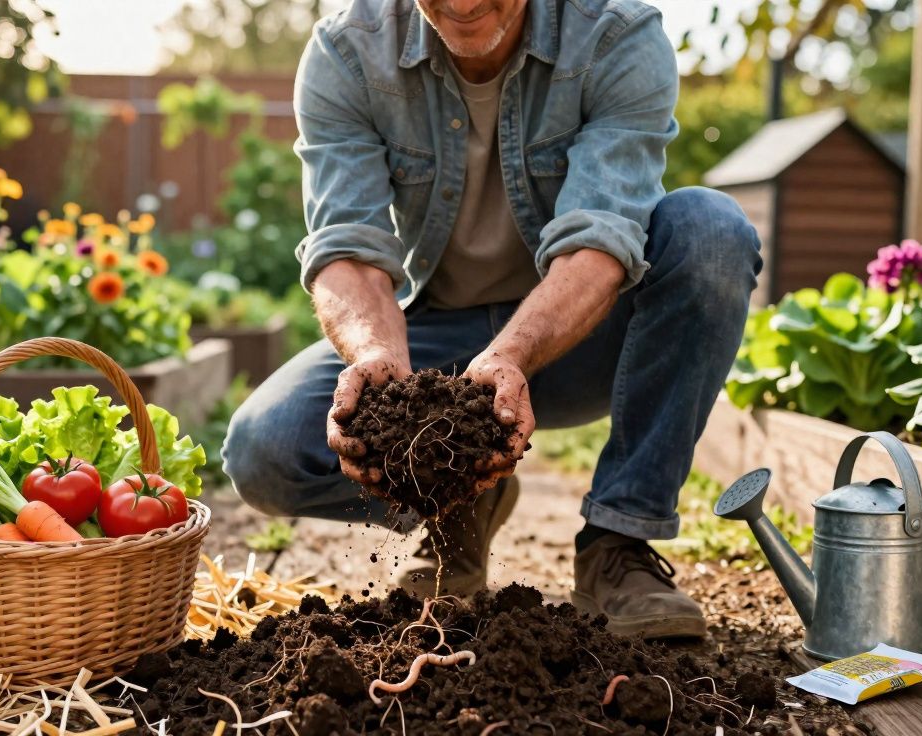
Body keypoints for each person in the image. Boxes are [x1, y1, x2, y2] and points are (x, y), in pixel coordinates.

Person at [223, 0, 762, 639]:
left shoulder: (614, 34)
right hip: (434, 337)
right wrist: (377, 362)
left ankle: (619, 541)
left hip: (581, 338)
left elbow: (600, 243)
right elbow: (348, 251)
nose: (463, 3)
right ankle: (454, 503)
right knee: (266, 450)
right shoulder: (349, 52)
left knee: (710, 231)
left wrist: (510, 355)